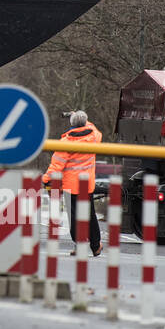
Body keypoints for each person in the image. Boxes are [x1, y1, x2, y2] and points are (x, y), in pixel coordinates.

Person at [43, 110, 102, 257]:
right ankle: (96, 246)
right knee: (90, 215)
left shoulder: (66, 143)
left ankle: (80, 244)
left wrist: (46, 179)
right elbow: (92, 127)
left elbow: (56, 166)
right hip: (87, 185)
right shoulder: (94, 137)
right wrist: (80, 117)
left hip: (71, 186)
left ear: (71, 125)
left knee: (75, 217)